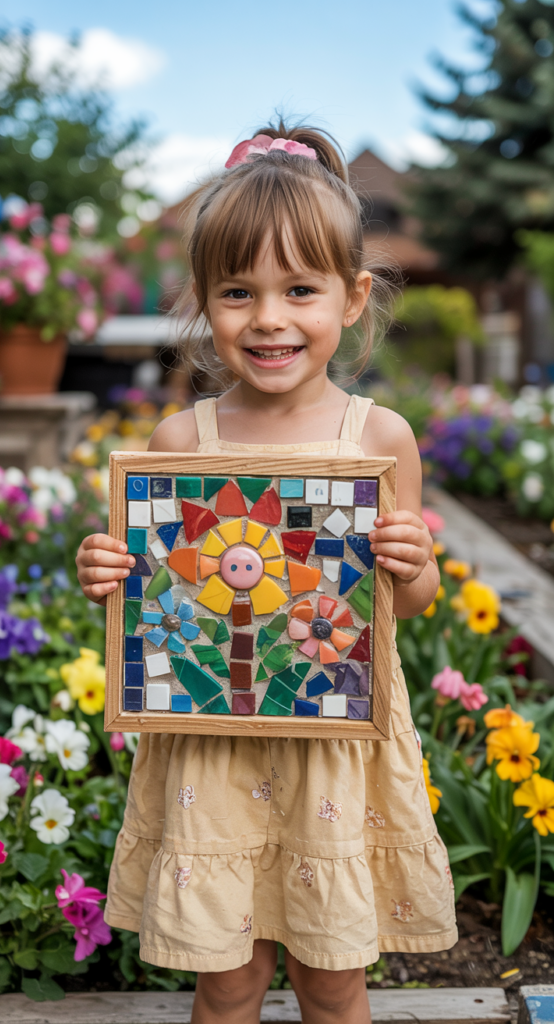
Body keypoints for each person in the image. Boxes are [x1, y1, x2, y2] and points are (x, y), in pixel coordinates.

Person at [76, 122, 457, 1024]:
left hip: (333, 745)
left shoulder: (378, 438)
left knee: (333, 981)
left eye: (300, 289)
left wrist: (415, 564)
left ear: (353, 297)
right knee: (227, 979)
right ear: (205, 301)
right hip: (214, 746)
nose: (270, 317)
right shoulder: (182, 443)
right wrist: (107, 570)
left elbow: (412, 598)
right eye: (239, 291)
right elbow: (153, 586)